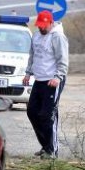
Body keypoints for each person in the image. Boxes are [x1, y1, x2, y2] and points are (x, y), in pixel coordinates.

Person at [22, 10, 69, 159]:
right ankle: (45, 145)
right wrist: (28, 73)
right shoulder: (36, 36)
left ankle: (52, 150)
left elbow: (63, 60)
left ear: (50, 23)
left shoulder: (57, 37)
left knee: (47, 115)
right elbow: (33, 55)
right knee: (32, 111)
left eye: (44, 25)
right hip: (39, 79)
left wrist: (58, 76)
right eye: (39, 25)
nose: (41, 28)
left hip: (52, 80)